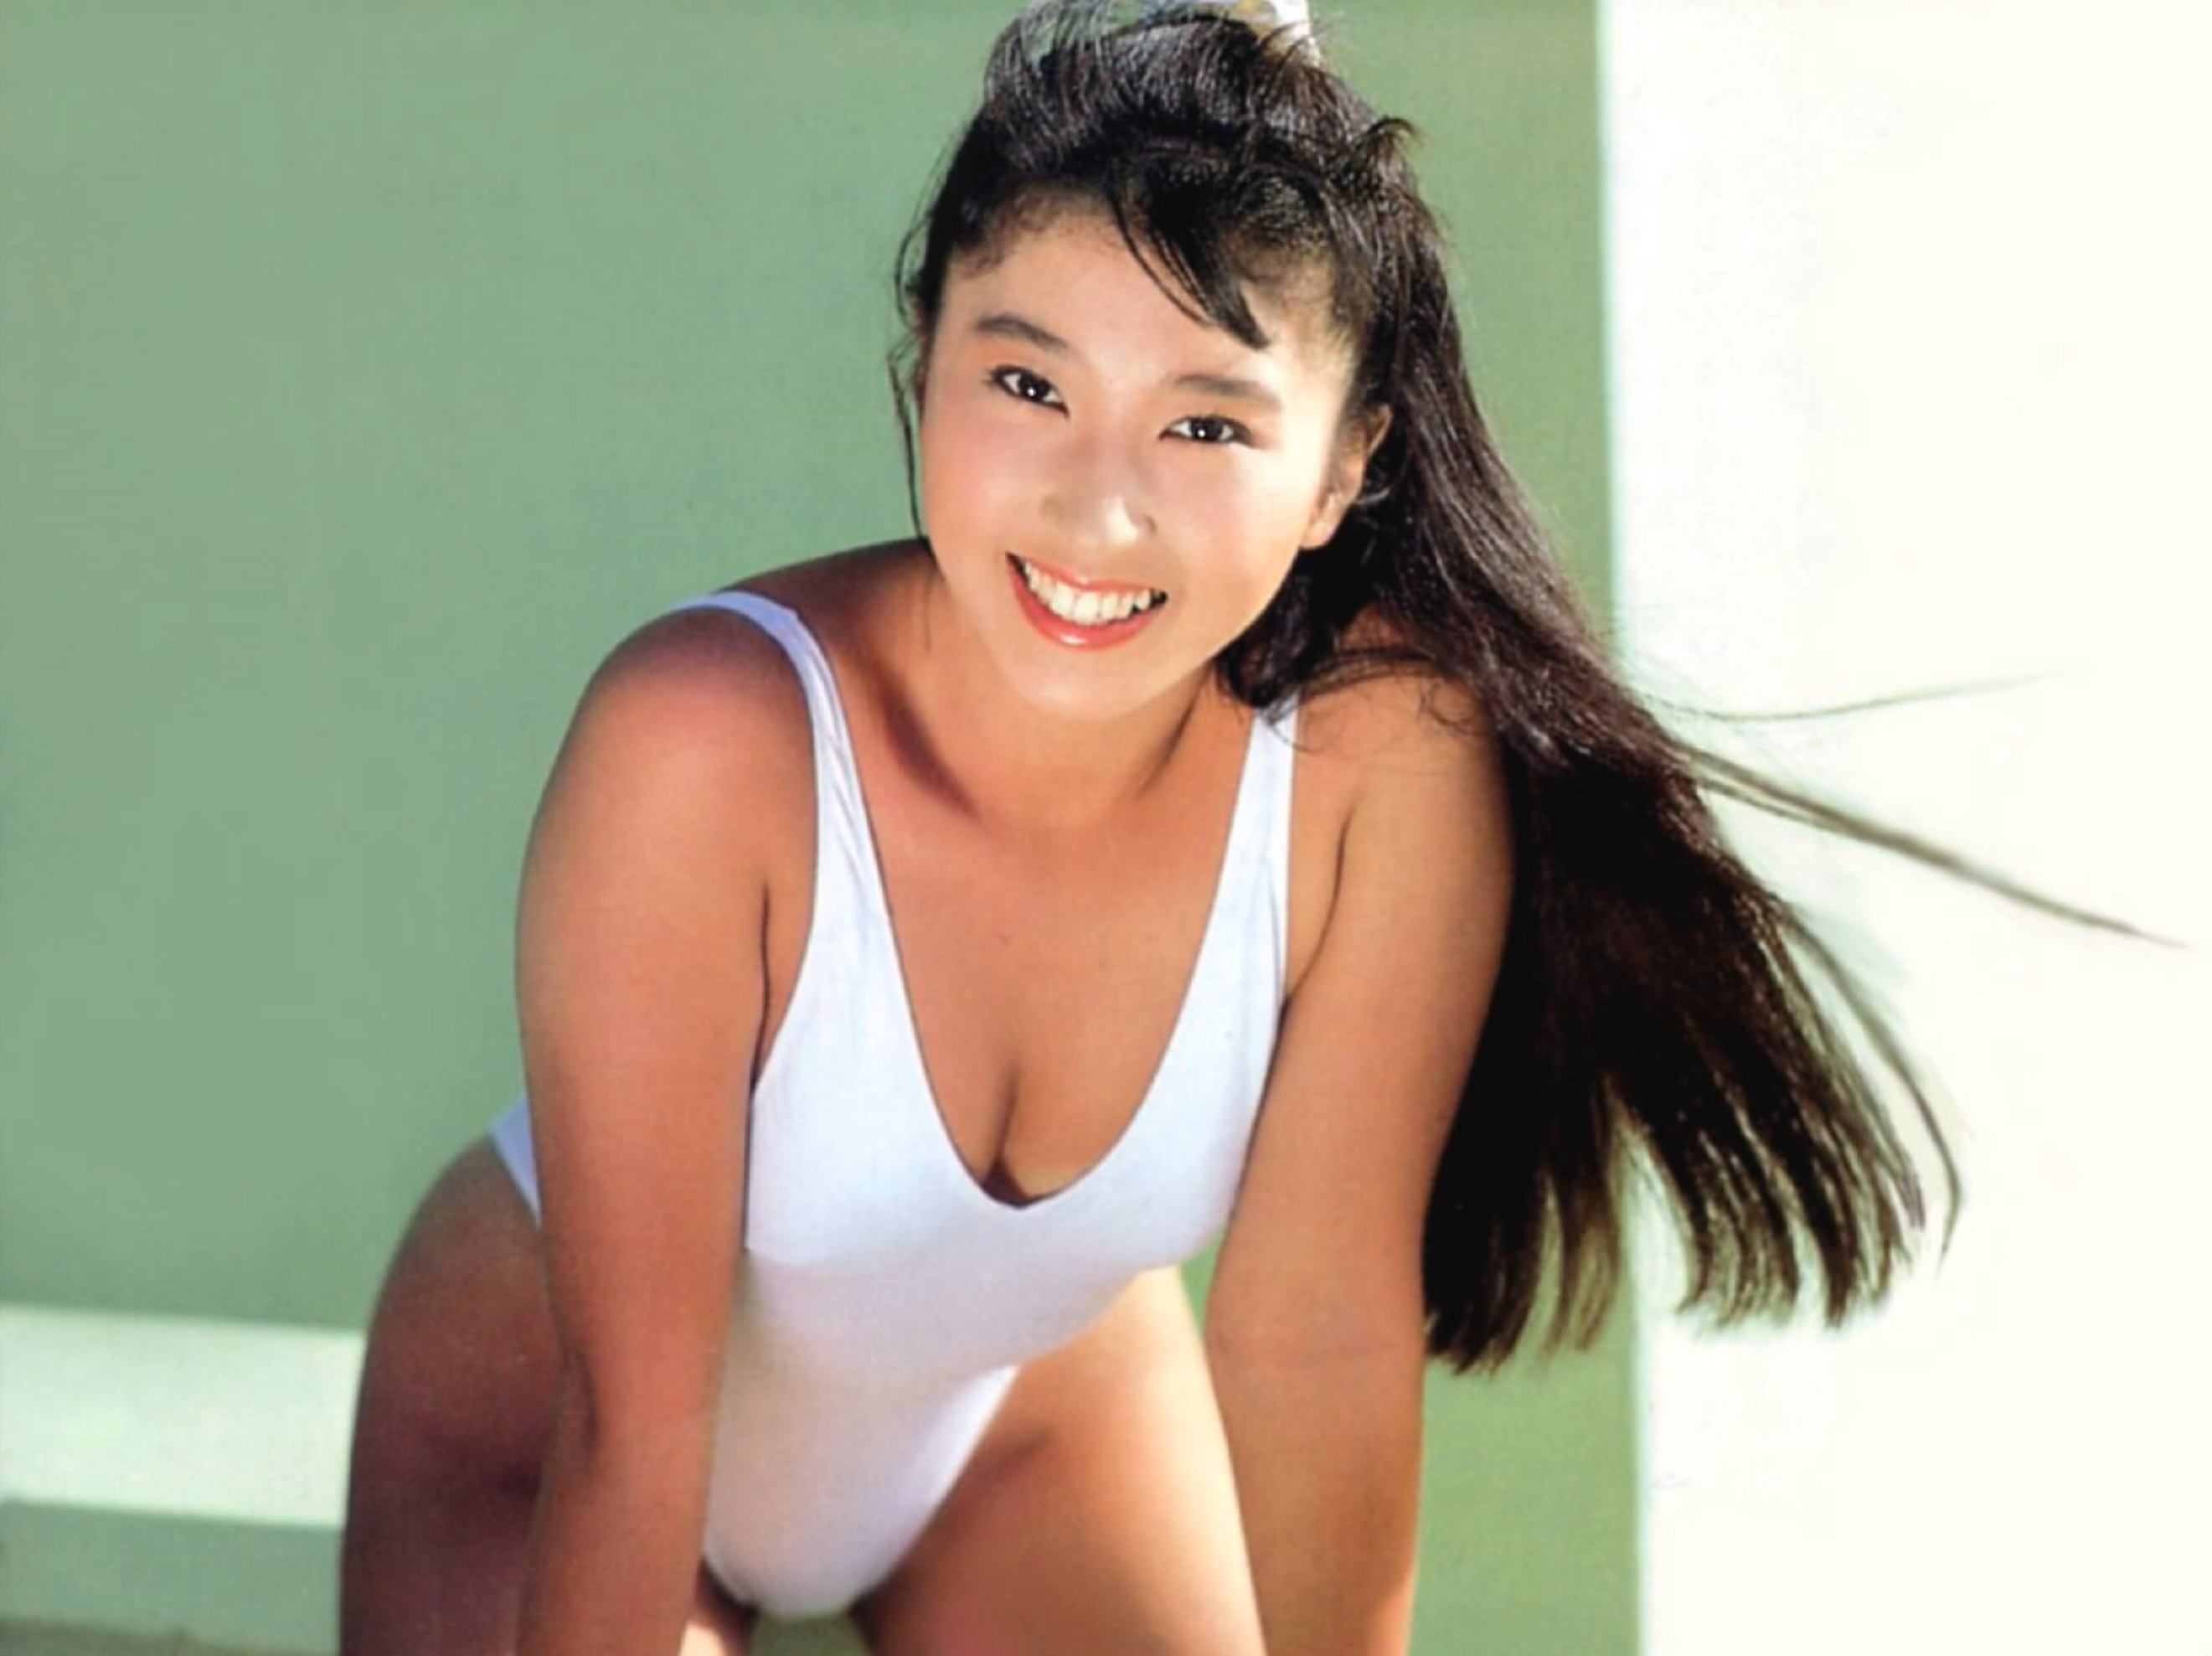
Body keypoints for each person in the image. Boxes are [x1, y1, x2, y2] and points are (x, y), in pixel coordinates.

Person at [338, 4, 1979, 1651]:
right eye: (1026, 381)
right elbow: (635, 1426)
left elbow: (1317, 1337)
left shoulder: (1379, 762)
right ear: (922, 363)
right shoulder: (703, 739)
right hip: (545, 1431)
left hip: (1029, 1430)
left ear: (1343, 468)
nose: (1096, 508)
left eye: (1205, 423)